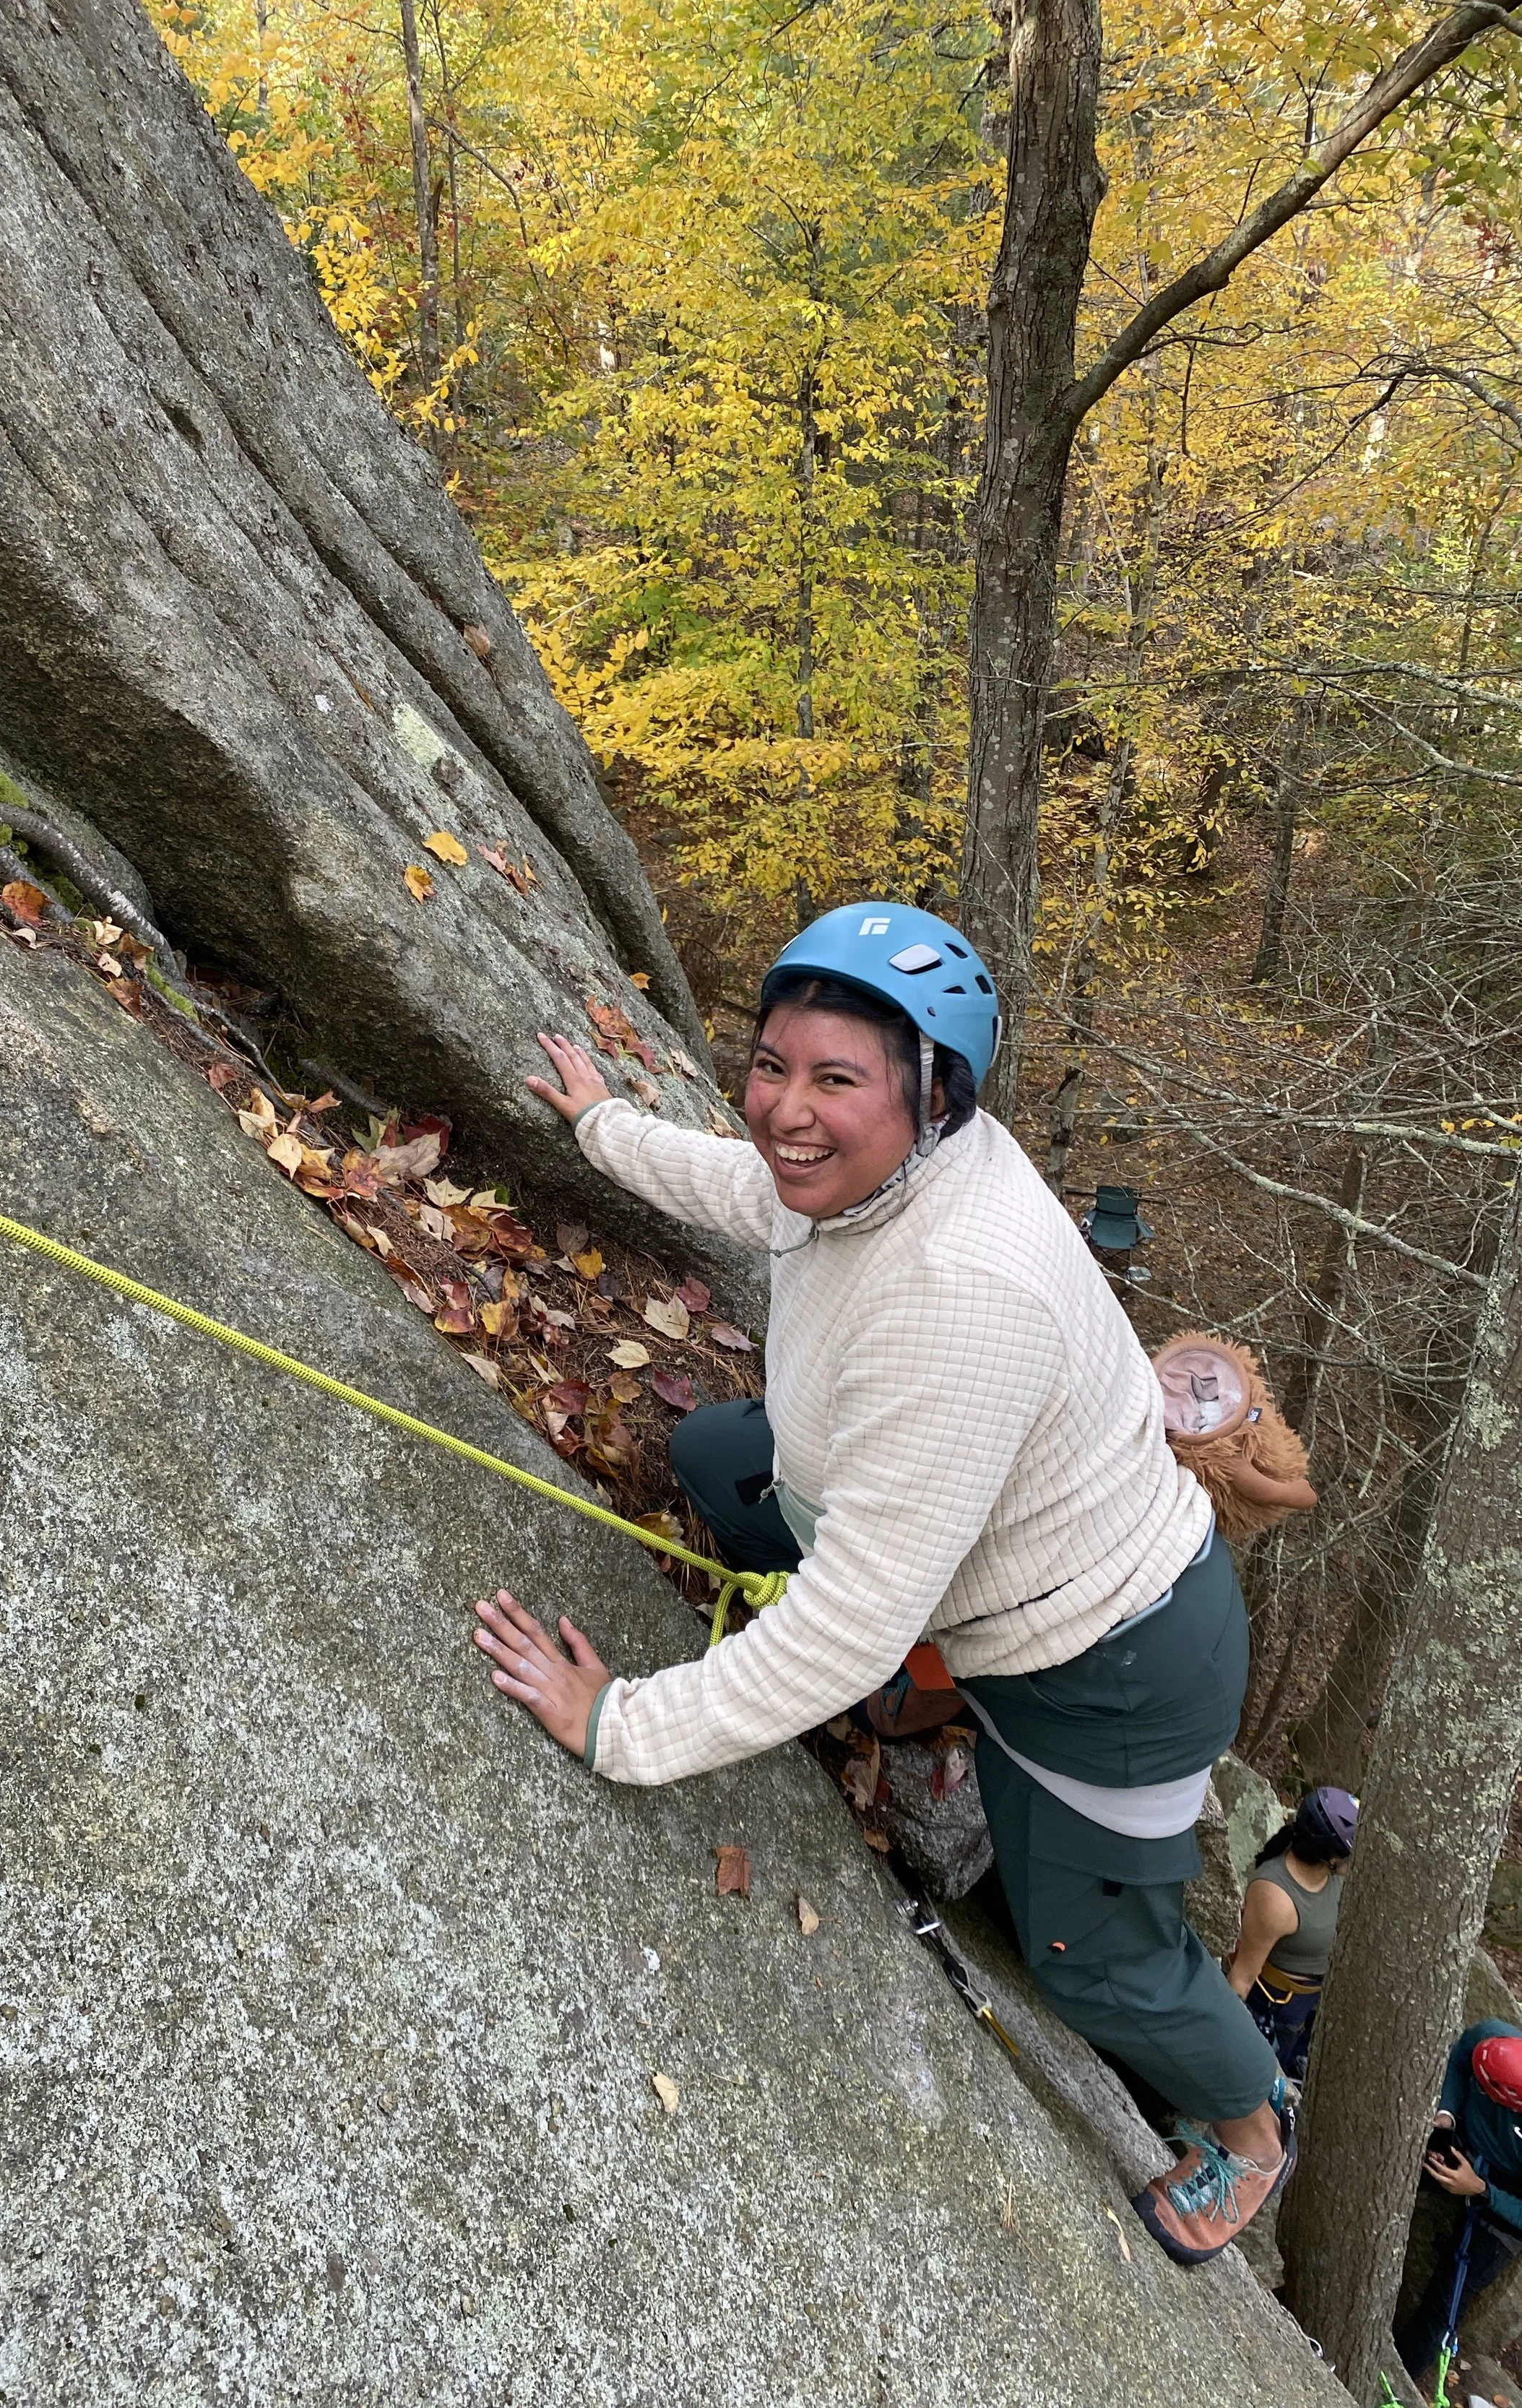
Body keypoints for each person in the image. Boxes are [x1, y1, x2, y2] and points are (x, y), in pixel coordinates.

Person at [472, 902, 1294, 2263]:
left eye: (836, 1079)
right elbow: (758, 1186)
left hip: (1115, 1663)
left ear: (930, 1098)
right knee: (722, 1459)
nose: (787, 1107)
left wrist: (624, 1725)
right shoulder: (880, 1169)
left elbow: (851, 1619)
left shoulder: (967, 1289)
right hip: (984, 1576)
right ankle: (940, 1719)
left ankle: (1256, 2131)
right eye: (772, 1062)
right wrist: (603, 1125)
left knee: (1094, 1959)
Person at [1396, 2023, 1522, 2381]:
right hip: (1460, 2141)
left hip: (1504, 2195)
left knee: (1444, 2307)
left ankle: (1391, 2382)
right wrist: (1445, 2114)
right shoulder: (1495, 2038)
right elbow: (1459, 2057)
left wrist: (1481, 2190)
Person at [1226, 1787, 1357, 2082]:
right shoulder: (1276, 1897)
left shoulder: (1333, 1876)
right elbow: (1242, 1976)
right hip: (1276, 2010)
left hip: (1309, 2005)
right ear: (1329, 1857)